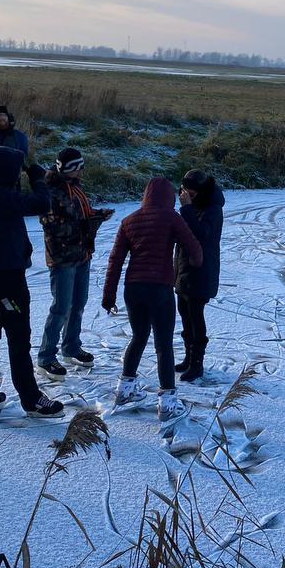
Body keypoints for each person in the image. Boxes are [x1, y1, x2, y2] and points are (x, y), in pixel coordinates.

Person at [0, 146, 64, 417]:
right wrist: (37, 178)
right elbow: (43, 203)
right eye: (15, 171)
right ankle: (31, 399)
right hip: (6, 276)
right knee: (18, 336)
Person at [101, 177, 203, 423]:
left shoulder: (129, 221)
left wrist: (109, 295)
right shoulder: (171, 218)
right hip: (160, 288)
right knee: (163, 344)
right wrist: (193, 264)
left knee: (138, 336)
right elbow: (195, 250)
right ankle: (167, 403)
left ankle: (125, 389)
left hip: (133, 288)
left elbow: (115, 260)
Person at [36, 148, 114, 379]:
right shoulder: (51, 193)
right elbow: (54, 227)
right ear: (70, 169)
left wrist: (96, 215)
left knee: (79, 303)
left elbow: (80, 216)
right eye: (79, 167)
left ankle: (71, 347)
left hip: (82, 255)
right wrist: (91, 222)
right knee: (61, 307)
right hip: (62, 259)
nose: (83, 170)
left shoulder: (75, 187)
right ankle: (46, 357)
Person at [174, 169, 225, 383]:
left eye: (191, 194)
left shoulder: (213, 209)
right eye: (185, 191)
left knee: (196, 315)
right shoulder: (194, 205)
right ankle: (188, 357)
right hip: (184, 268)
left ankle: (197, 364)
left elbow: (201, 233)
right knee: (184, 312)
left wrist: (186, 209)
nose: (187, 196)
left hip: (202, 269)